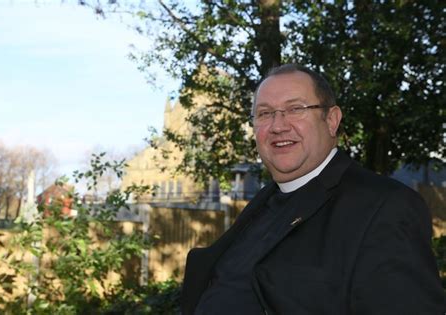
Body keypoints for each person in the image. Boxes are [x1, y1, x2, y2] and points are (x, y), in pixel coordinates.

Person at [181, 64, 446, 314]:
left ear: (331, 120)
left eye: (295, 109)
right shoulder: (265, 202)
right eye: (264, 113)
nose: (278, 125)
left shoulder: (384, 206)